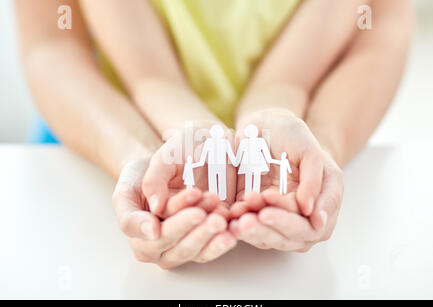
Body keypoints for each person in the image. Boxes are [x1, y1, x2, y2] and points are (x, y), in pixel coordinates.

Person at [16, 0, 412, 268]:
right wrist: (137, 152)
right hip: (103, 138)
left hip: (311, 135)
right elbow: (51, 40)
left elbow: (380, 30)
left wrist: (322, 144)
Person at [235, 125, 274, 194]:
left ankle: (255, 193)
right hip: (247, 163)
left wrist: (269, 160)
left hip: (258, 163)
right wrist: (236, 162)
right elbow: (240, 153)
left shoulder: (261, 141)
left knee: (256, 178)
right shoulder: (244, 142)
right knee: (248, 178)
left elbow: (265, 152)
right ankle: (248, 193)